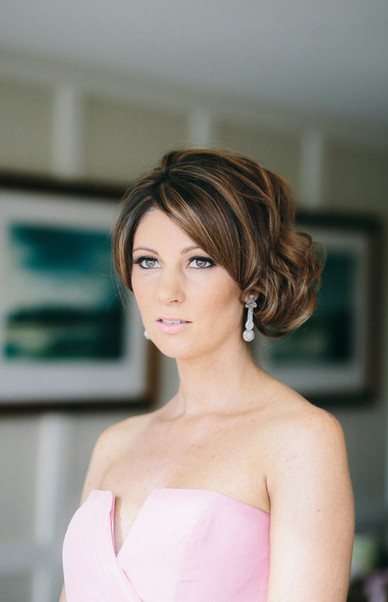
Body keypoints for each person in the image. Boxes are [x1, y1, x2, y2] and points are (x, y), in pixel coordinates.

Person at [60, 149, 354, 601]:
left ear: (252, 282)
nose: (167, 291)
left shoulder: (301, 438)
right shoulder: (115, 443)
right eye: (148, 261)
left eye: (199, 261)